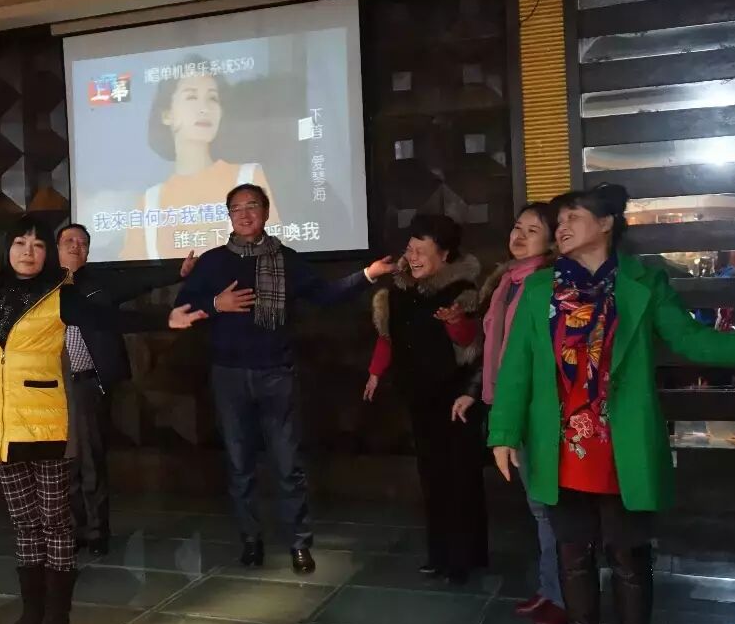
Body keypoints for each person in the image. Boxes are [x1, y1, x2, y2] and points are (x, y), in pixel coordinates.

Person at [488, 184, 735, 624]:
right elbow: (517, 368)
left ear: (606, 223)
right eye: (559, 221)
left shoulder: (643, 283)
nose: (561, 227)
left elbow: (695, 342)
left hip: (621, 445)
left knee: (629, 556)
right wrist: (503, 432)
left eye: (573, 217)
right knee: (573, 554)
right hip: (560, 445)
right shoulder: (541, 289)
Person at [0, 215, 206, 624]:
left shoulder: (60, 294)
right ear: (7, 249)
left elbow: (106, 318)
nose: (28, 252)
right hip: (3, 425)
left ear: (47, 255)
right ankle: (31, 607)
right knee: (23, 522)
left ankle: (58, 611)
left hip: (50, 423)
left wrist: (165, 318)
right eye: (20, 243)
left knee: (55, 521)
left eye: (37, 245)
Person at [176, 184, 396, 574]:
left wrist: (368, 274)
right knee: (240, 465)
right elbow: (181, 311)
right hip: (229, 375)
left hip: (276, 373)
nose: (245, 214)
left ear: (265, 212)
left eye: (252, 206)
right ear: (229, 216)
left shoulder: (286, 259)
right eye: (237, 208)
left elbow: (326, 295)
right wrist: (215, 304)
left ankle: (299, 543)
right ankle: (250, 540)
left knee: (287, 464)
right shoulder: (212, 262)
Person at [454, 203, 565, 624]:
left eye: (532, 230)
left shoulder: (550, 284)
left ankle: (564, 596)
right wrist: (475, 393)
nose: (518, 236)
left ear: (552, 241)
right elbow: (494, 349)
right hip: (509, 405)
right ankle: (551, 589)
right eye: (517, 227)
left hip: (538, 410)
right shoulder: (507, 282)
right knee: (539, 508)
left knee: (550, 508)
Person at [57, 223, 196, 557]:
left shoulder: (98, 282)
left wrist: (177, 271)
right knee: (62, 464)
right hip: (49, 388)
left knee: (89, 460)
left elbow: (140, 281)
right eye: (69, 241)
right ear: (56, 248)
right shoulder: (44, 287)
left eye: (83, 242)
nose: (76, 246)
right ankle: (72, 529)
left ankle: (96, 531)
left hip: (86, 383)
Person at [363, 214, 487, 585]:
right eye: (410, 249)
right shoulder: (399, 291)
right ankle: (439, 553)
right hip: (419, 395)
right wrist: (375, 373)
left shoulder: (463, 291)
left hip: (457, 397)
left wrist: (455, 322)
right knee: (431, 476)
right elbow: (388, 338)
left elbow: (472, 344)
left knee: (460, 476)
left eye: (422, 251)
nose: (413, 257)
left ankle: (465, 557)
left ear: (445, 255)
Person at [120, 62, 279, 261]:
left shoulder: (249, 177)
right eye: (191, 97)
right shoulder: (149, 203)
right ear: (167, 115)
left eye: (212, 98)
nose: (204, 108)